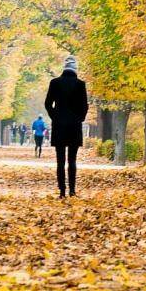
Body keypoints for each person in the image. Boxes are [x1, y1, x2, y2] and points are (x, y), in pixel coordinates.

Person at [44, 57, 88, 198]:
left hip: (59, 126)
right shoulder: (80, 84)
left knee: (60, 161)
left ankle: (62, 191)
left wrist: (55, 116)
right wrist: (80, 118)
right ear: (75, 69)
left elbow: (48, 104)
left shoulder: (55, 83)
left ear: (64, 68)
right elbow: (84, 106)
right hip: (74, 126)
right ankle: (72, 191)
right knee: (72, 160)